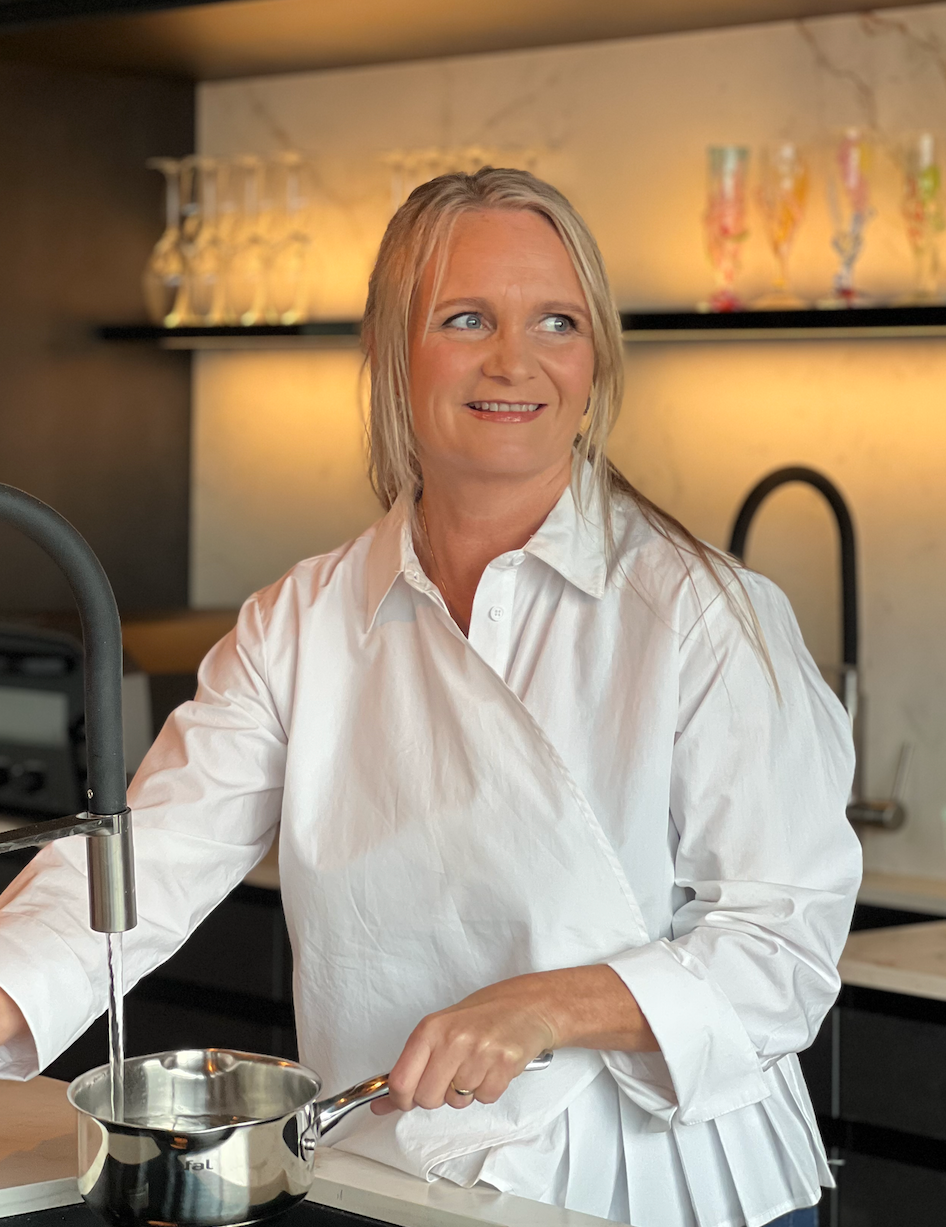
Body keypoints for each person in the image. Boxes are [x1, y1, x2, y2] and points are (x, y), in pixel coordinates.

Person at [0, 168, 861, 1227]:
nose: (515, 361)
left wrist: (547, 1006)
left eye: (557, 322)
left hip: (662, 1184)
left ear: (595, 360)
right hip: (394, 1175)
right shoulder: (300, 622)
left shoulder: (702, 614)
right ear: (389, 350)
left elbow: (782, 949)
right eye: (466, 318)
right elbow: (147, 865)